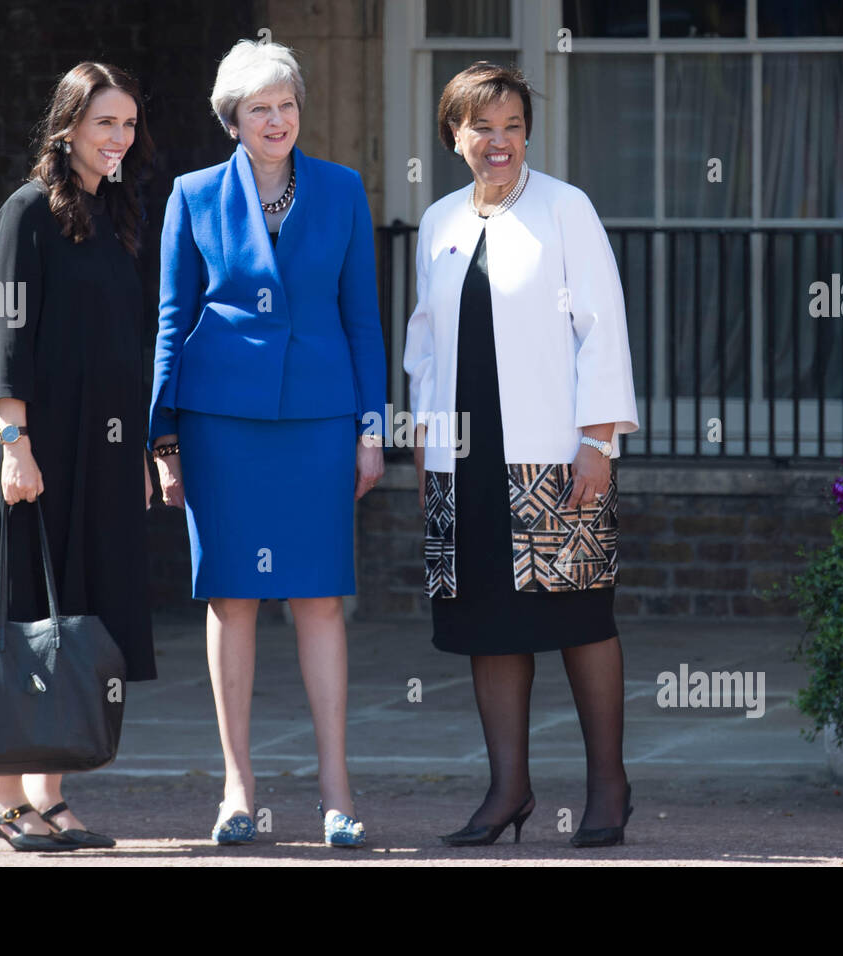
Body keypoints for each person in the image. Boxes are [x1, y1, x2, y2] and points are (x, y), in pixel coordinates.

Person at [149, 39, 386, 848]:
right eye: (260, 108)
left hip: (320, 421)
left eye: (287, 104)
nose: (277, 120)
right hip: (221, 422)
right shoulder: (192, 195)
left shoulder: (344, 190)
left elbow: (364, 319)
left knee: (319, 596)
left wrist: (371, 429)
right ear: (233, 120)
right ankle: (237, 788)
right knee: (233, 598)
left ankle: (336, 789)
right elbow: (173, 321)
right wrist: (164, 439)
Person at [404, 61, 640, 847]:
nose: (498, 141)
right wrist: (421, 441)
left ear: (527, 132)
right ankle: (508, 791)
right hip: (462, 462)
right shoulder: (438, 222)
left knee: (579, 617)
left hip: (552, 457)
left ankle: (608, 786)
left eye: (511, 125)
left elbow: (602, 327)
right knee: (486, 624)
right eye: (481, 127)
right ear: (454, 136)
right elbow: (426, 343)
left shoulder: (567, 209)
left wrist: (598, 441)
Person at [0, 62, 157, 851]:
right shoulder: (25, 212)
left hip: (105, 446)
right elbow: (6, 339)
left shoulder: (120, 212)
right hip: (36, 442)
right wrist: (16, 443)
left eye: (127, 125)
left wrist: (144, 448)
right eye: (103, 122)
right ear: (69, 125)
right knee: (24, 614)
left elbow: (131, 339)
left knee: (77, 618)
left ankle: (48, 793)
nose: (118, 138)